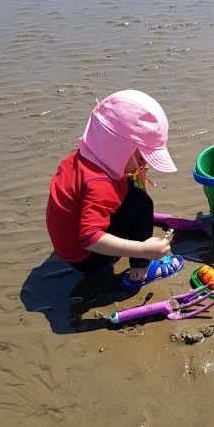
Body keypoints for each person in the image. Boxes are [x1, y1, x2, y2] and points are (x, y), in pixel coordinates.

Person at [45, 90, 183, 288]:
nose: (144, 165)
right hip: (88, 258)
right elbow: (90, 238)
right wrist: (143, 249)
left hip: (68, 247)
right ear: (120, 149)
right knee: (142, 203)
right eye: (141, 158)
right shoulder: (99, 185)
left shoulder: (86, 156)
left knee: (132, 189)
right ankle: (140, 271)